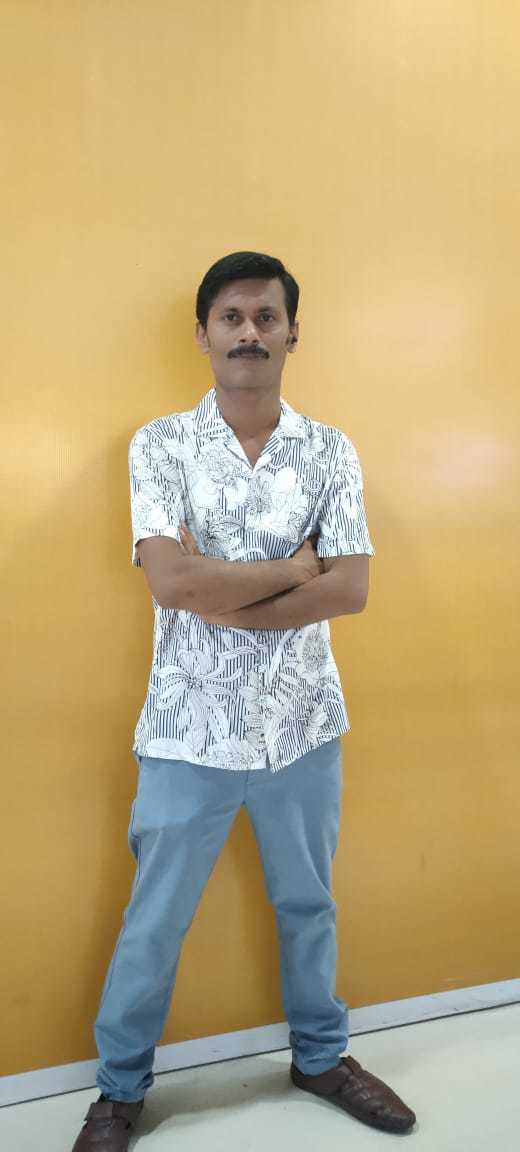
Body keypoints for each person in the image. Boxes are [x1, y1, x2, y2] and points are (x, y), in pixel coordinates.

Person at [71, 251, 416, 1150]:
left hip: (304, 725)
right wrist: (295, 571)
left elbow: (352, 589)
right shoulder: (160, 446)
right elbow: (172, 582)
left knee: (309, 906)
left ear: (293, 333)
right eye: (232, 317)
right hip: (188, 730)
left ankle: (321, 1057)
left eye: (267, 317)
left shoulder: (330, 450)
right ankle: (118, 1090)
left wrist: (228, 595)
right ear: (204, 335)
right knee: (155, 922)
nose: (250, 332)